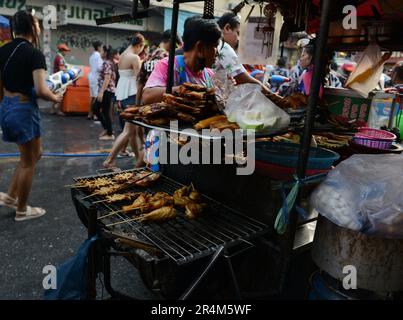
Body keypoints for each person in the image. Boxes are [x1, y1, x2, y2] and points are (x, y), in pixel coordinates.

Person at [0, 10, 63, 221]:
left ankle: (10, 196)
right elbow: (42, 90)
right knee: (29, 160)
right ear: (33, 27)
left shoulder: (3, 51)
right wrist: (56, 98)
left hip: (7, 106)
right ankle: (22, 210)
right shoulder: (34, 54)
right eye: (37, 24)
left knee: (34, 154)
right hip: (24, 108)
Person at [143, 17, 222, 104]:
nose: (217, 52)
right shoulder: (169, 65)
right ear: (199, 47)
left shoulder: (210, 75)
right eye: (215, 46)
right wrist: (187, 90)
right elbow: (147, 97)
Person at [103, 33, 145, 168]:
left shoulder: (122, 56)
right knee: (128, 131)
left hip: (122, 94)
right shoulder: (134, 57)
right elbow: (140, 81)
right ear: (139, 45)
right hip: (132, 94)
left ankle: (139, 161)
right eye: (142, 48)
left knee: (131, 132)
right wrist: (140, 102)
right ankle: (109, 160)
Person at [215, 12, 269, 91]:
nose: (239, 39)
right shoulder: (224, 47)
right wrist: (269, 93)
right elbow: (241, 77)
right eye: (238, 33)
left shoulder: (214, 44)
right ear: (227, 28)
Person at [93, 46, 119, 141]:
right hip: (108, 90)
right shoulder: (110, 63)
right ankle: (108, 130)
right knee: (103, 111)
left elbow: (107, 78)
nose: (101, 52)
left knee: (96, 109)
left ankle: (109, 132)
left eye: (102, 51)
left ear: (106, 53)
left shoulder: (107, 63)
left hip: (106, 91)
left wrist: (101, 92)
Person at [51, 43, 70, 115]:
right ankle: (58, 110)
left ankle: (52, 109)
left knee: (56, 93)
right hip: (60, 78)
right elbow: (61, 69)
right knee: (60, 94)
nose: (66, 52)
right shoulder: (60, 58)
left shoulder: (58, 57)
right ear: (62, 50)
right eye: (65, 51)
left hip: (57, 78)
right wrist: (67, 70)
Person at [88, 40, 103, 120]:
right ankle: (94, 114)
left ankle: (90, 113)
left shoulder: (92, 56)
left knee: (92, 97)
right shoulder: (98, 56)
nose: (102, 48)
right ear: (98, 47)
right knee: (96, 97)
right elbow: (99, 68)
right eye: (101, 47)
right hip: (96, 78)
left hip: (91, 77)